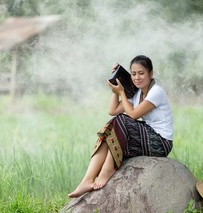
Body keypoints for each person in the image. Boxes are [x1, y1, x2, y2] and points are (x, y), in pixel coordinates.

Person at [68, 55, 173, 198]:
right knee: (110, 129)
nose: (137, 78)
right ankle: (87, 180)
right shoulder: (137, 94)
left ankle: (107, 170)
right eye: (133, 74)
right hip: (146, 137)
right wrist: (115, 90)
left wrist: (122, 92)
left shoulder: (156, 91)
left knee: (123, 120)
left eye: (141, 73)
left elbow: (133, 115)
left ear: (151, 73)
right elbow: (113, 111)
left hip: (160, 142)